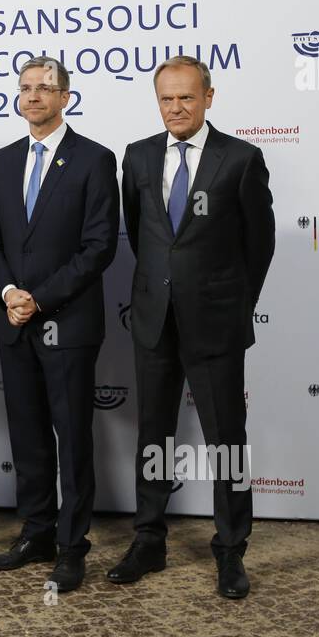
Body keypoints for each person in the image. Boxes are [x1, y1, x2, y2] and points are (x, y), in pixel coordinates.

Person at [112, 55, 275, 599]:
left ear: (209, 96)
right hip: (154, 322)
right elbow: (142, 235)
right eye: (165, 98)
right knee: (153, 435)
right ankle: (149, 541)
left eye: (186, 97)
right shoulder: (137, 157)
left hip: (217, 326)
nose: (175, 108)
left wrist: (231, 305)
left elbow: (259, 246)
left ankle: (231, 551)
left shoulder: (242, 159)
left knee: (225, 442)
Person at [0, 56, 120, 593]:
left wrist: (40, 298)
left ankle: (71, 544)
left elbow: (98, 246)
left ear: (66, 97)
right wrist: (11, 293)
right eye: (26, 88)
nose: (33, 96)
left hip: (68, 321)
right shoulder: (3, 159)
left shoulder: (94, 159)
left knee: (73, 438)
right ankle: (35, 532)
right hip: (13, 320)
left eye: (45, 88)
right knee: (28, 436)